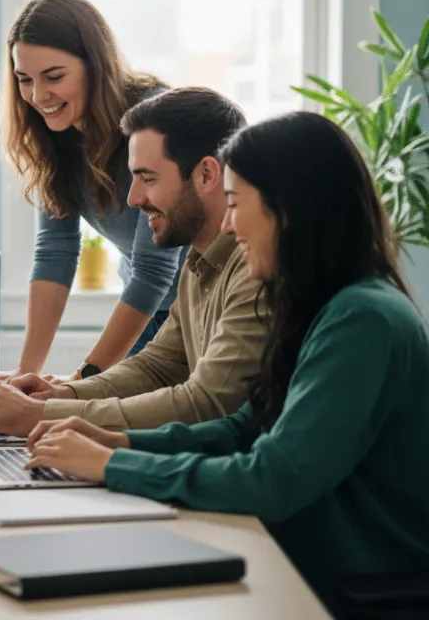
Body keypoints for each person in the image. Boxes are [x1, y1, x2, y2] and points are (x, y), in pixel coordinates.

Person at [22, 111, 429, 608]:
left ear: (289, 208)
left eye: (236, 204)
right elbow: (242, 427)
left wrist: (114, 465)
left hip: (344, 593)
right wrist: (120, 441)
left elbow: (273, 479)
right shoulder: (318, 306)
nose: (230, 227)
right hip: (289, 565)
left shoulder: (363, 319)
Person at [0, 88, 267, 436]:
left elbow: (205, 402)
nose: (133, 198)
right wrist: (62, 393)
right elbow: (158, 366)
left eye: (148, 178)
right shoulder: (198, 259)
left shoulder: (256, 267)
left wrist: (42, 415)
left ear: (205, 175)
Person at [0, 0, 184, 386]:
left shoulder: (153, 122)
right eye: (24, 80)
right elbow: (55, 251)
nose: (38, 96)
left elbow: (153, 268)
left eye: (54, 77)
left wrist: (79, 383)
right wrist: (26, 374)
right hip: (155, 306)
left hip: (201, 308)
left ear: (95, 66)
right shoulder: (56, 138)